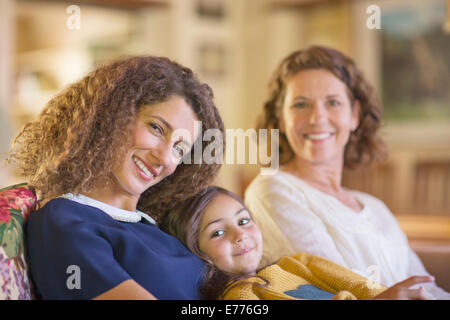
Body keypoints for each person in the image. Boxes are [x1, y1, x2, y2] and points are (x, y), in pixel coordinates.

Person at [8, 56, 225, 299]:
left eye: (179, 149)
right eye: (156, 128)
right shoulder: (65, 220)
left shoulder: (158, 225)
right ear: (111, 116)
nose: (164, 157)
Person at [244, 45, 450, 299]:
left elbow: (426, 287)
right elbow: (335, 286)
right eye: (300, 104)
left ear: (354, 115)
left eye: (332, 102)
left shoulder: (375, 208)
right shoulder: (272, 190)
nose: (317, 118)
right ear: (280, 119)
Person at [160, 185, 435, 300]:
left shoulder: (299, 263)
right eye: (217, 233)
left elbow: (364, 287)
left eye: (244, 221)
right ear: (194, 250)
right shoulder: (240, 295)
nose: (240, 234)